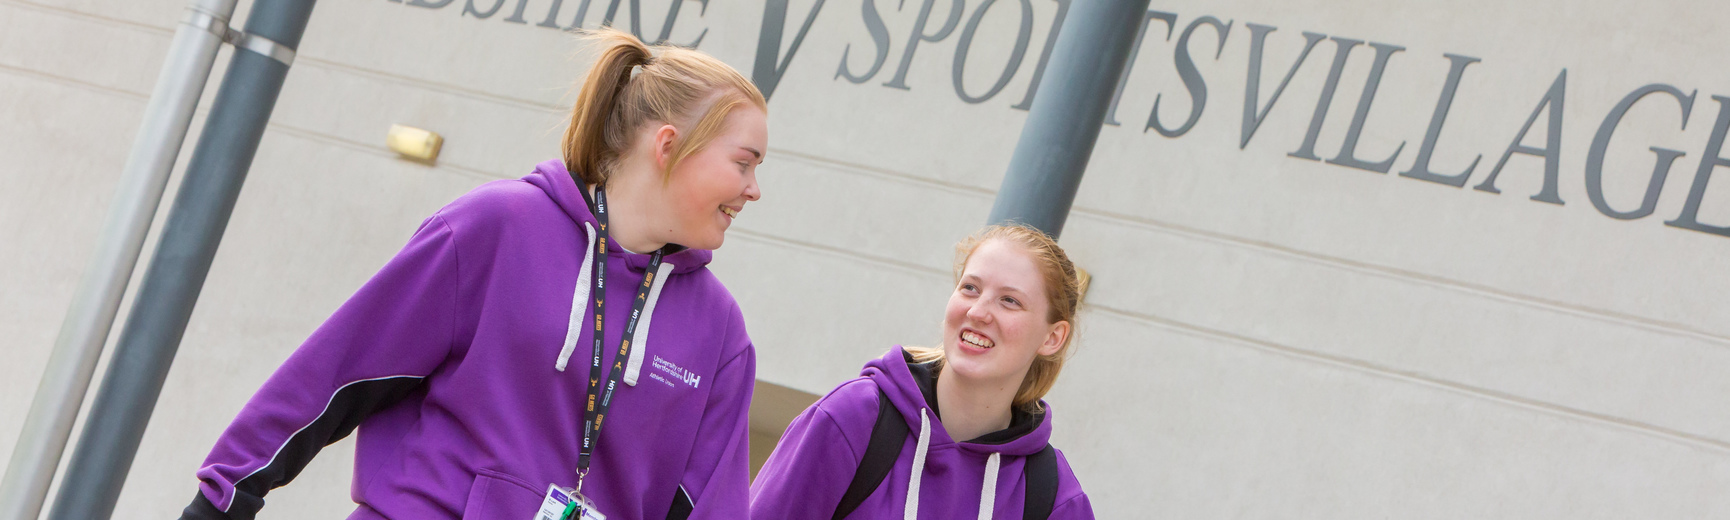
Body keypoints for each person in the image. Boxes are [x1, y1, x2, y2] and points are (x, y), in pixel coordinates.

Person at [181, 28, 767, 520]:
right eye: (743, 163)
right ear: (669, 145)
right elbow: (340, 369)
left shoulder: (720, 335)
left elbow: (708, 507)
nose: (753, 190)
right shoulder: (497, 228)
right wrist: (225, 495)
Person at [750, 224, 1095, 519]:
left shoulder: (1053, 497)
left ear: (1052, 337)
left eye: (1009, 300)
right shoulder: (854, 417)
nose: (978, 311)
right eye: (970, 288)